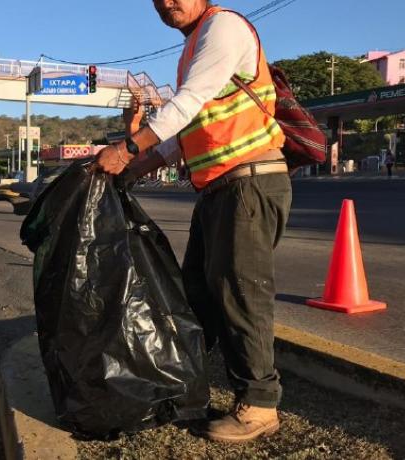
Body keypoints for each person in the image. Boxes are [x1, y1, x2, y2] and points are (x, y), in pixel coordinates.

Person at [96, 0, 290, 443]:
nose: (167, 2)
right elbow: (188, 132)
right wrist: (133, 170)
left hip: (249, 182)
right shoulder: (195, 45)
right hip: (220, 187)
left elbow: (185, 105)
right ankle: (184, 385)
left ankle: (259, 404)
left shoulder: (222, 28)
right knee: (199, 294)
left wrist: (127, 147)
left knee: (240, 293)